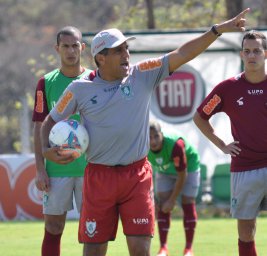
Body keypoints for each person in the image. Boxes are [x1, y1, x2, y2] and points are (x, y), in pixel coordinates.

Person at [40, 9, 249, 256]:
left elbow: (182, 53)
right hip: (99, 177)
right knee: (94, 250)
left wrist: (217, 30)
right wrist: (46, 151)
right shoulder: (79, 89)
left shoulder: (142, 74)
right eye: (118, 50)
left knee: (141, 250)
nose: (126, 55)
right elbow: (48, 123)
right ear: (101, 58)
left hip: (136, 176)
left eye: (127, 49)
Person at [193, 30, 267, 256]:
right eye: (247, 51)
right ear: (241, 55)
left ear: (266, 54)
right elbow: (200, 117)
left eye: (257, 51)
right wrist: (221, 145)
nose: (252, 55)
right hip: (245, 167)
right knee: (246, 230)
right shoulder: (227, 88)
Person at [32, 26, 91, 256]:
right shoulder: (45, 83)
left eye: (75, 45)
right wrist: (40, 169)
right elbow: (39, 127)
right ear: (57, 48)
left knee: (92, 229)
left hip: (90, 168)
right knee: (54, 227)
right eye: (65, 46)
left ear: (82, 48)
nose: (70, 51)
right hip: (56, 170)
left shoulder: (95, 79)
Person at [148, 120, 200, 256]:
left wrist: (173, 200)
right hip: (164, 170)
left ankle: (189, 249)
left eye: (156, 136)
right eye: (149, 137)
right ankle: (163, 248)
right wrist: (152, 198)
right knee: (162, 204)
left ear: (162, 134)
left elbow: (182, 175)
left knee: (187, 202)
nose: (153, 141)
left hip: (189, 167)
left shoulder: (176, 145)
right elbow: (143, 173)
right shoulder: (141, 145)